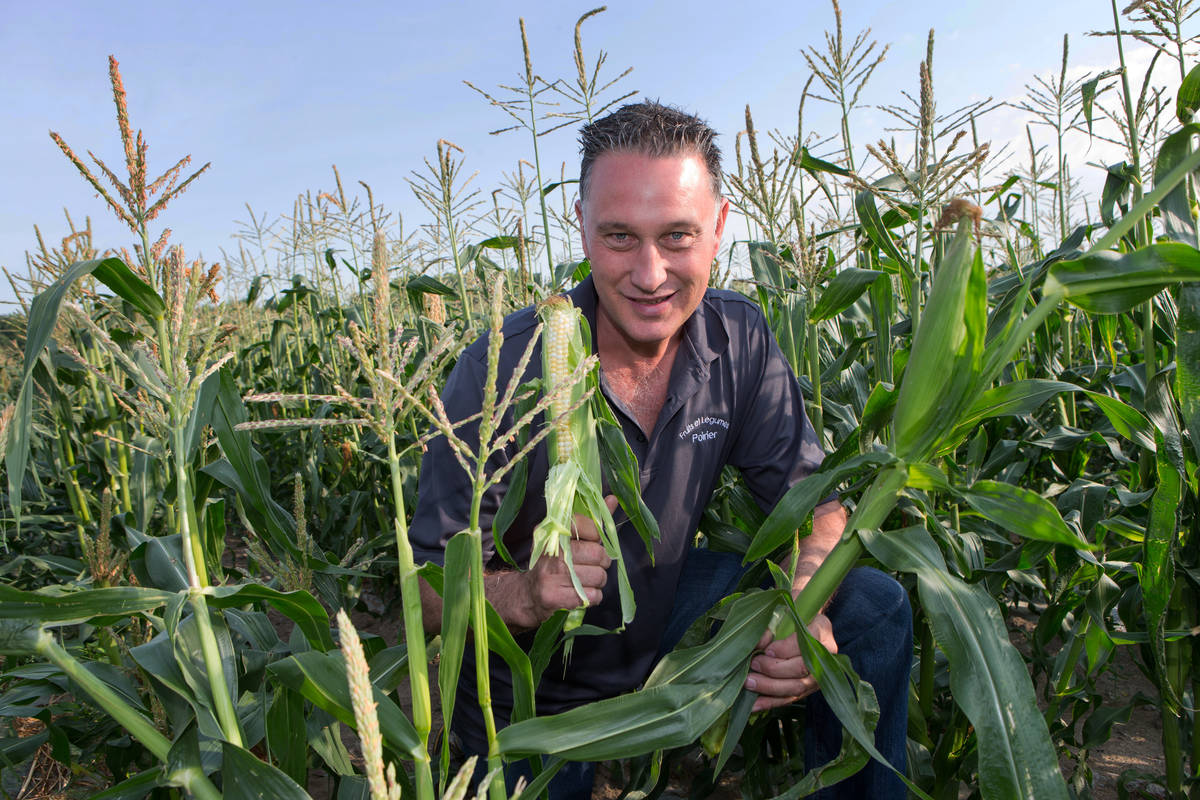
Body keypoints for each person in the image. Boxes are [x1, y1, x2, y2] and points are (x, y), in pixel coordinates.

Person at [410, 101, 911, 799]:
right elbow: (427, 592)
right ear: (581, 228)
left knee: (871, 606)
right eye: (619, 237)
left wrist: (806, 599)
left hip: (662, 612)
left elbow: (818, 506)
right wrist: (525, 593)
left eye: (677, 237)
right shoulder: (503, 368)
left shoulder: (735, 338)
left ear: (719, 231)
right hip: (529, 692)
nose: (650, 275)